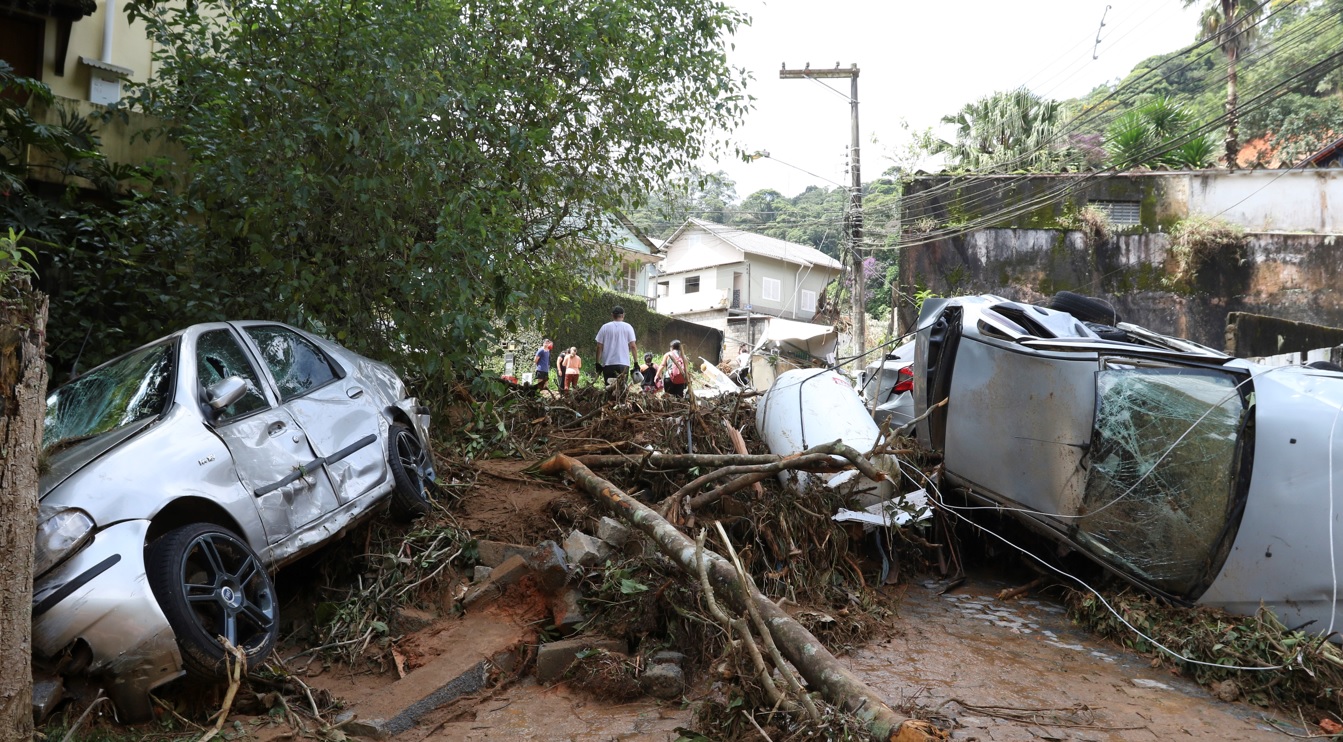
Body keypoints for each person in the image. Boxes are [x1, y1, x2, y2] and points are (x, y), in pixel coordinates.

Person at [594, 305, 637, 389]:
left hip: (608, 364)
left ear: (612, 315)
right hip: (623, 364)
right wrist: (636, 363)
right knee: (621, 390)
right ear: (623, 315)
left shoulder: (605, 327)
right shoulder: (628, 327)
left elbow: (599, 347)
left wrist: (597, 363)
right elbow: (633, 346)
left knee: (609, 389)